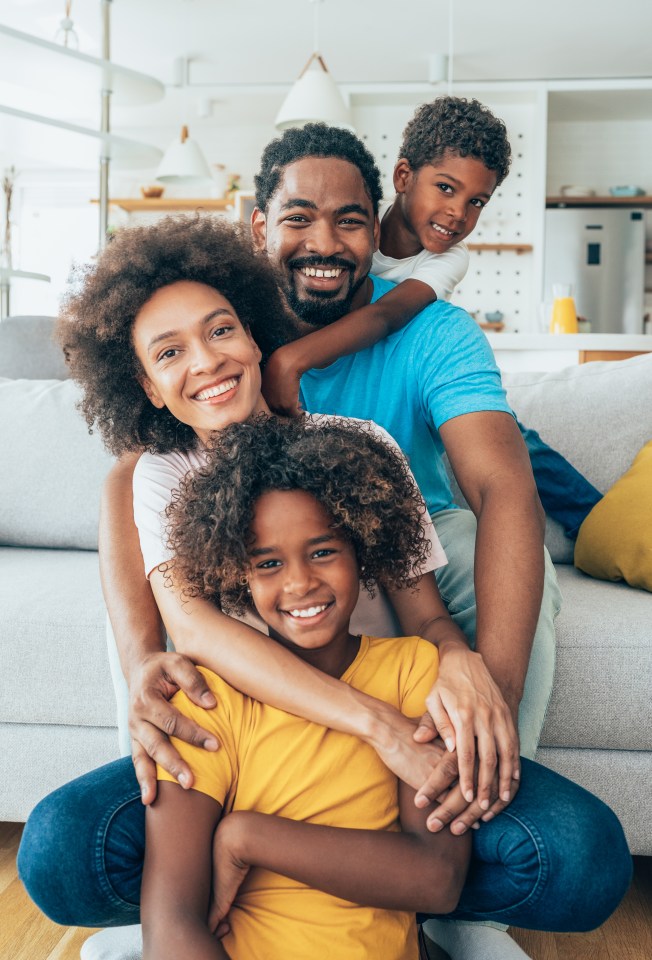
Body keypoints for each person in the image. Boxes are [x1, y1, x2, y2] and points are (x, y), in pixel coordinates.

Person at [17, 215, 631, 960]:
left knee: (582, 857)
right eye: (170, 352)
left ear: (254, 332)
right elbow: (202, 632)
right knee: (56, 852)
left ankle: (400, 906)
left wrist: (461, 662)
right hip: (255, 754)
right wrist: (381, 729)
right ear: (144, 383)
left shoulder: (362, 445)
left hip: (388, 757)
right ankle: (209, 905)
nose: (206, 362)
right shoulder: (156, 478)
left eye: (221, 332)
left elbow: (425, 613)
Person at [142, 414, 472, 960]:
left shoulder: (414, 672)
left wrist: (244, 837)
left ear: (362, 551)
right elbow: (170, 920)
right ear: (233, 575)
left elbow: (437, 879)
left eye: (323, 551)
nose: (299, 583)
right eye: (267, 563)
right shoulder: (206, 701)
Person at [260, 97, 602, 540]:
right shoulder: (357, 220)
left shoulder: (447, 260)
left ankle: (596, 520)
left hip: (412, 361)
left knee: (513, 443)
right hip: (367, 372)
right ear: (403, 177)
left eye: (476, 201)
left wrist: (292, 360)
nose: (458, 213)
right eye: (445, 188)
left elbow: (386, 314)